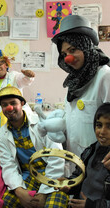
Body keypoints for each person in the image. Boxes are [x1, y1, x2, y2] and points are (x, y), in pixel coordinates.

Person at [0, 86, 69, 208]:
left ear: (22, 104)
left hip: (53, 175)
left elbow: (56, 157)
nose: (9, 108)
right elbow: (8, 165)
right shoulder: (1, 134)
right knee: (7, 204)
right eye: (4, 105)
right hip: (29, 175)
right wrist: (19, 190)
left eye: (13, 103)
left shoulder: (42, 123)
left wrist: (43, 192)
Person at [51, 15, 110, 172]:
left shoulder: (105, 76)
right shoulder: (74, 82)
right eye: (64, 55)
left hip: (100, 165)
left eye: (73, 50)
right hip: (76, 163)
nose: (68, 58)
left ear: (86, 46)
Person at [58, 103, 110, 208]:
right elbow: (80, 176)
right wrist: (69, 185)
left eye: (109, 126)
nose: (102, 132)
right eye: (99, 125)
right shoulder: (90, 151)